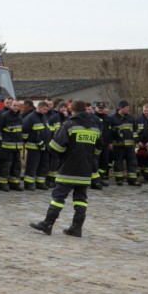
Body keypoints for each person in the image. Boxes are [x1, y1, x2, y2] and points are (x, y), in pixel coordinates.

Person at [30, 99, 101, 237]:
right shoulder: (95, 128)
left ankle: (47, 224)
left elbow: (54, 147)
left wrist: (63, 156)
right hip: (86, 170)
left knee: (58, 197)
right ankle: (76, 228)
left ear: (71, 109)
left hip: (68, 168)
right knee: (81, 198)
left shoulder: (69, 125)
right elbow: (98, 151)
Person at [21, 100, 52, 191]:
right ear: (38, 108)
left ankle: (40, 182)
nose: (46, 111)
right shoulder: (30, 118)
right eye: (45, 109)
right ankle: (28, 183)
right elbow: (24, 133)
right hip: (33, 147)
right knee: (32, 166)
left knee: (43, 166)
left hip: (45, 146)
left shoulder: (44, 117)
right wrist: (33, 140)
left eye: (47, 110)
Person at [108, 100, 139, 186]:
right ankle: (119, 180)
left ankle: (133, 180)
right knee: (118, 163)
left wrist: (136, 141)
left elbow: (135, 131)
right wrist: (110, 142)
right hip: (118, 146)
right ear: (121, 108)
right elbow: (109, 132)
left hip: (129, 147)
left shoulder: (131, 118)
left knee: (132, 163)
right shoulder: (112, 118)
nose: (128, 109)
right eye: (127, 108)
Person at [0, 100, 24, 191]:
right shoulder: (4, 116)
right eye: (14, 105)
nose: (16, 107)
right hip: (6, 147)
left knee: (16, 166)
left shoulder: (20, 117)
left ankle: (14, 183)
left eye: (17, 105)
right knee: (6, 166)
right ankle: (2, 184)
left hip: (17, 147)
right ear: (10, 106)